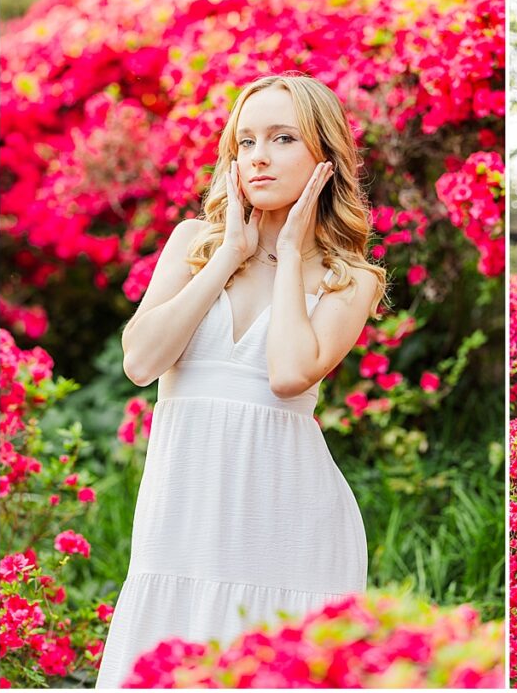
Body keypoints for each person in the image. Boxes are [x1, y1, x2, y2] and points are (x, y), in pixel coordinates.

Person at [96, 73, 385, 687]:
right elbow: (141, 362)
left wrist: (288, 254)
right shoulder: (193, 244)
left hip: (289, 529)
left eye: (282, 138)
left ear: (324, 159)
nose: (258, 156)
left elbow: (287, 375)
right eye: (245, 140)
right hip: (183, 523)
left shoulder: (349, 279)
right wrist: (230, 252)